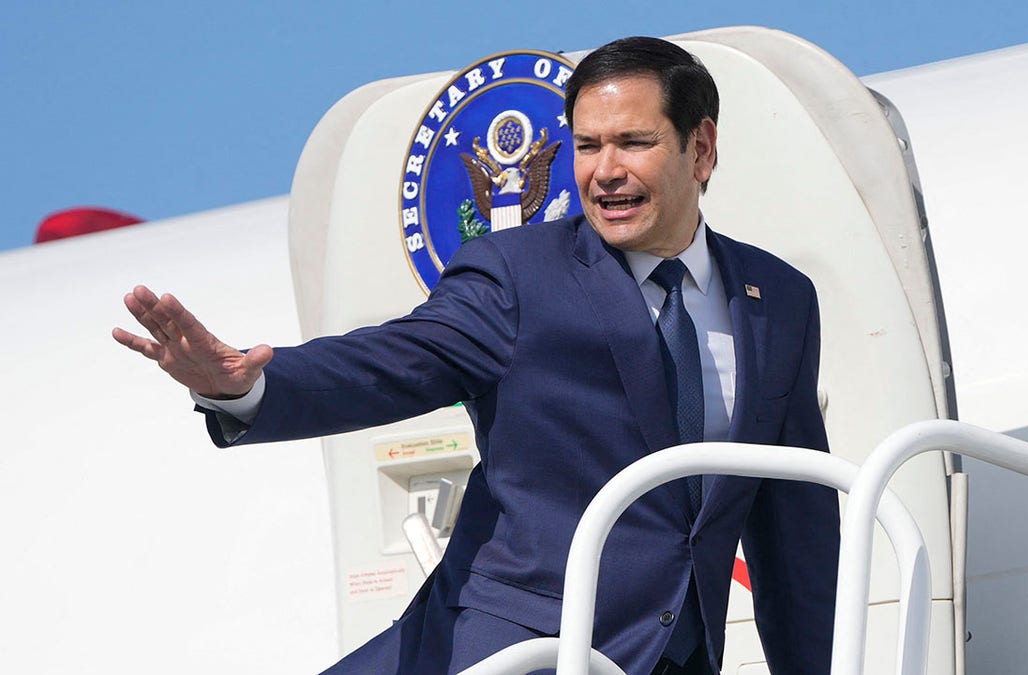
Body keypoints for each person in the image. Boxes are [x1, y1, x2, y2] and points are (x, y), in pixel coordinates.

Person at [114, 36, 838, 675]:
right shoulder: (519, 274)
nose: (603, 171)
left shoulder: (777, 299)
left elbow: (793, 528)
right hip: (524, 653)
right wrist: (250, 385)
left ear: (701, 148)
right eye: (587, 146)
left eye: (633, 142)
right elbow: (397, 360)